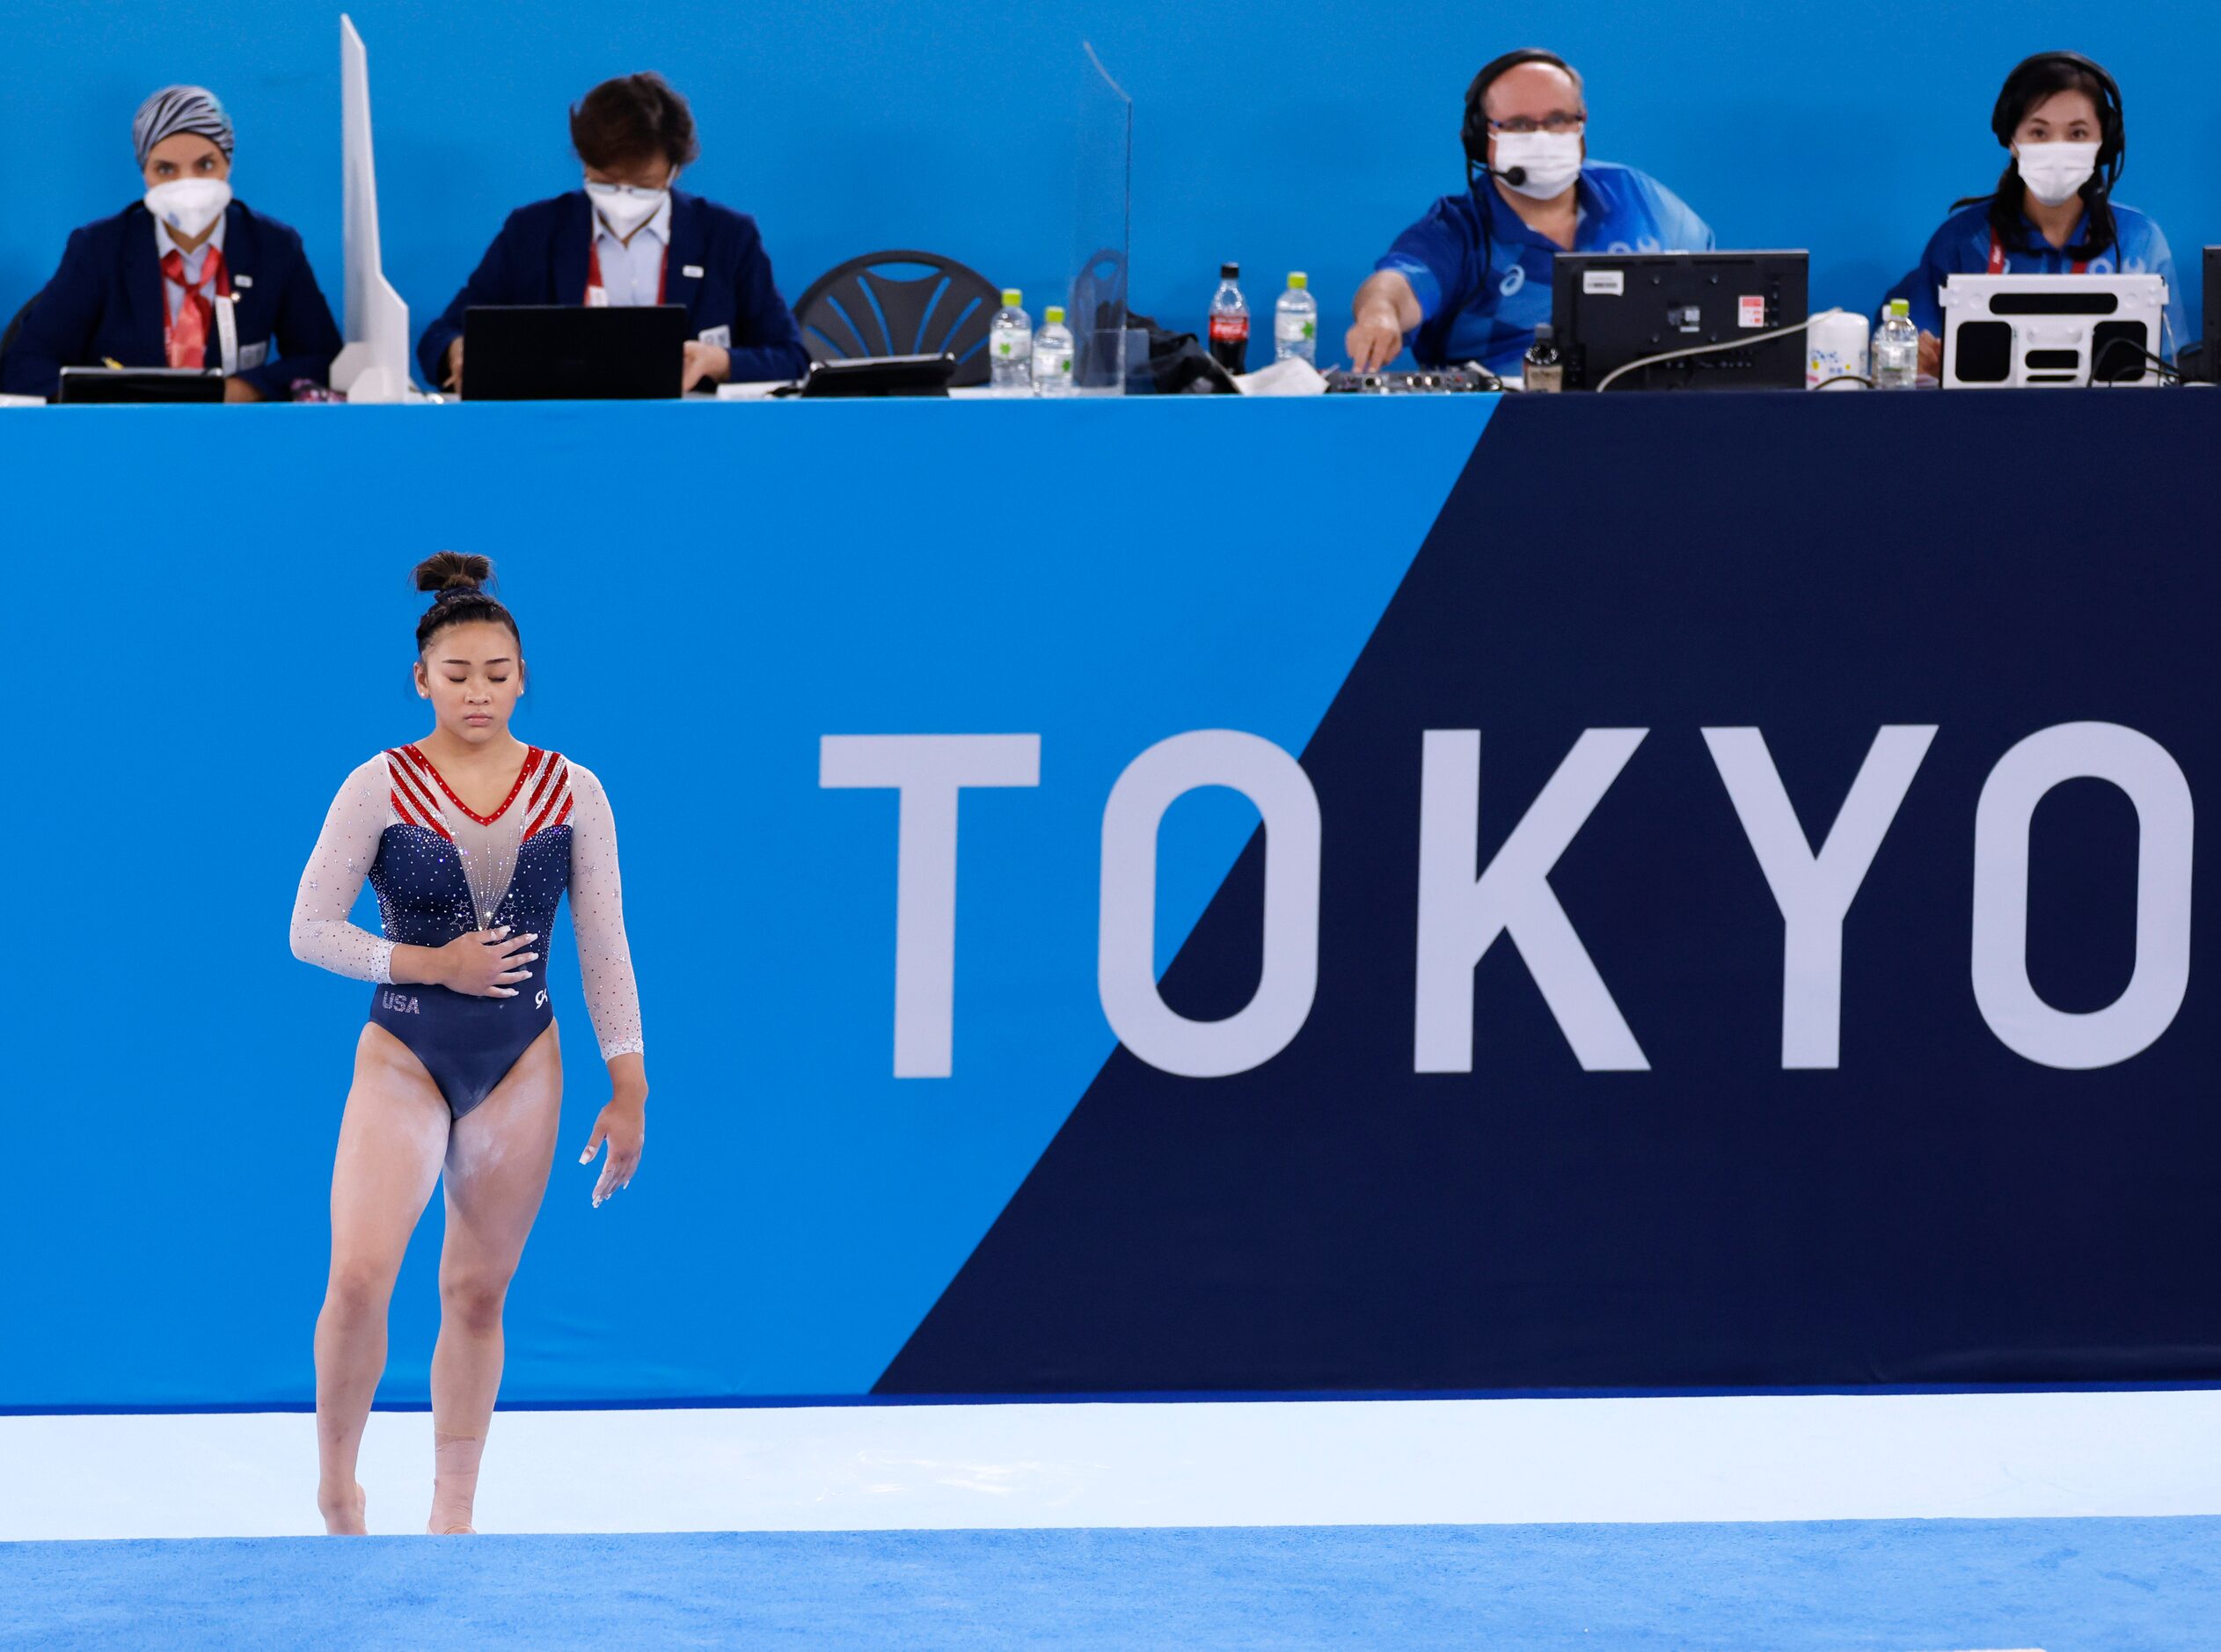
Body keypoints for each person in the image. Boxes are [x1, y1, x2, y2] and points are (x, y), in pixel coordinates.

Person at [290, 552, 647, 1536]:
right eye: (458, 677)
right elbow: (309, 928)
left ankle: (453, 1511)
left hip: (521, 1058)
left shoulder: (573, 791)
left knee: (476, 1291)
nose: (479, 692)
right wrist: (423, 964)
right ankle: (336, 1481)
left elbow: (603, 942)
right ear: (421, 681)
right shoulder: (380, 784)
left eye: (497, 674)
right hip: (405, 1050)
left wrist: (630, 1084)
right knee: (361, 1276)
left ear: (523, 677)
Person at [419, 72, 809, 394]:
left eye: (642, 184)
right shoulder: (534, 232)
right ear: (584, 163)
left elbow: (791, 356)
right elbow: (441, 334)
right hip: (561, 431)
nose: (623, 197)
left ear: (675, 170)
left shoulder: (727, 237)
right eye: (604, 181)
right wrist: (457, 350)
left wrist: (719, 362)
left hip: (691, 437)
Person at [1346, 50, 1713, 376]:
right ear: (1480, 136)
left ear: (1581, 122)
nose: (1542, 137)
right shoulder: (1457, 230)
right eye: (1519, 124)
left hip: (1649, 412)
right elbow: (1398, 283)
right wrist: (1380, 313)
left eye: (1557, 119)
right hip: (1502, 428)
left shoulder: (1637, 196)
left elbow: (1718, 284)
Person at [0, 86, 342, 402]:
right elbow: (24, 363)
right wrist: (113, 398)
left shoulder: (274, 248)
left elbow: (323, 359)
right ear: (144, 172)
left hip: (231, 437)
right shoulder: (100, 249)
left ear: (229, 163)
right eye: (165, 169)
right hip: (121, 440)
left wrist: (242, 389)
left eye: (205, 165)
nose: (187, 184)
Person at [1884, 52, 2188, 378]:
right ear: (2012, 141)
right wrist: (1919, 363)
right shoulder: (1962, 240)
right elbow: (1911, 363)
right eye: (2039, 133)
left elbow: (2170, 373)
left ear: (2104, 142)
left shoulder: (2138, 240)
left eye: (2078, 134)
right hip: (1982, 423)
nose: (2057, 148)